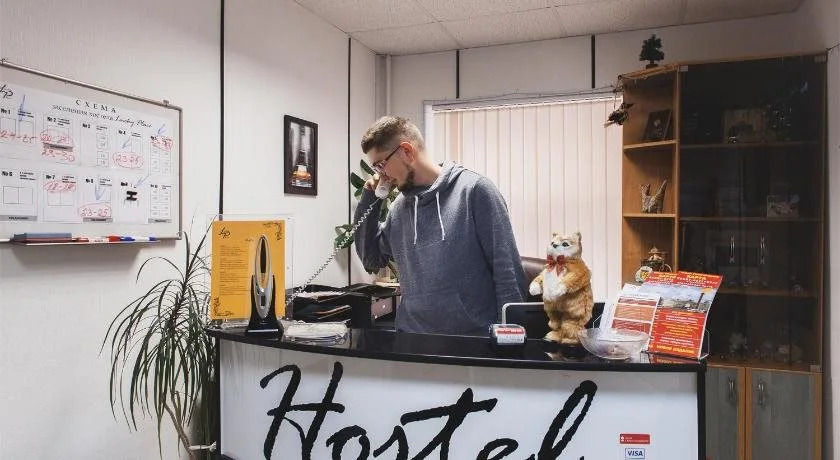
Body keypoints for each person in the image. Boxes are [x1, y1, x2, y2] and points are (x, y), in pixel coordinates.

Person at [354, 116, 526, 335]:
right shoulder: (399, 208)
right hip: (412, 341)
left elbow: (508, 275)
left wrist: (509, 341)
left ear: (406, 151)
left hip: (472, 342)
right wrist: (370, 197)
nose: (381, 174)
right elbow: (371, 259)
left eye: (381, 164)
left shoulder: (474, 191)